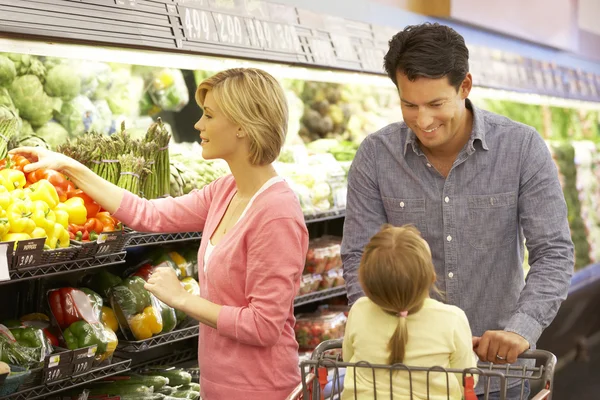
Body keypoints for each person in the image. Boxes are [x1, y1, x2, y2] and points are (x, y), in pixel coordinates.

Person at [11, 68, 308, 400]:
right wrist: (69, 167)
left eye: (209, 115)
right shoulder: (226, 191)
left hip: (262, 390)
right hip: (219, 385)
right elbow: (146, 213)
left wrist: (182, 299)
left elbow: (263, 326)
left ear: (242, 125)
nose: (198, 125)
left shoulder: (276, 214)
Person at [341, 23, 574, 400]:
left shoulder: (521, 148)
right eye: (409, 105)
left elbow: (554, 253)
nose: (423, 121)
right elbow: (358, 255)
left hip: (499, 375)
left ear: (464, 86)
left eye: (436, 104)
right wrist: (375, 322)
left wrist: (521, 329)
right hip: (404, 379)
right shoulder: (375, 156)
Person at [342, 224, 478, 400]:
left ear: (366, 284)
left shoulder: (359, 309)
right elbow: (467, 380)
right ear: (432, 277)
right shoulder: (452, 319)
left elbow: (348, 357)